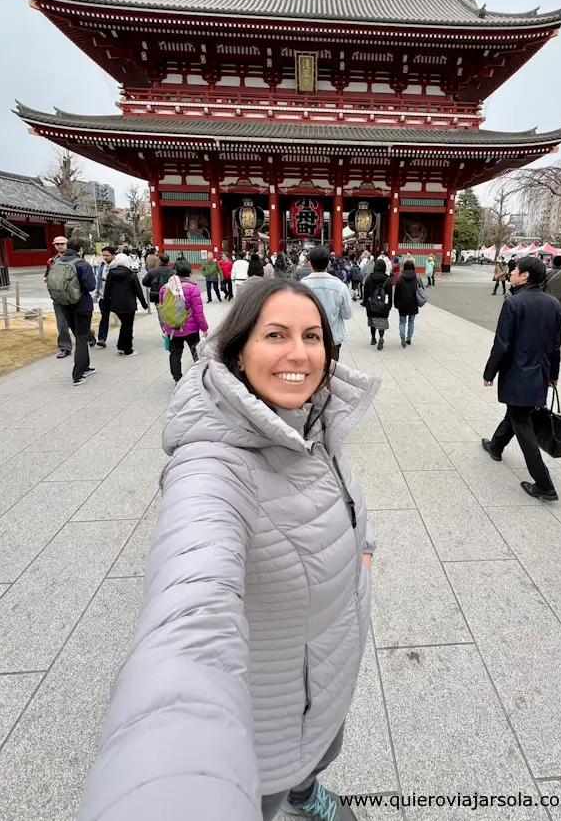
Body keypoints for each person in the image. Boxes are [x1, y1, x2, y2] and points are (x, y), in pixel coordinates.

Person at [76, 277, 376, 821]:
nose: (299, 353)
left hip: (318, 669)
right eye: (276, 335)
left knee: (318, 753)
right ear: (237, 352)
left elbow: (342, 501)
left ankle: (307, 795)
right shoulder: (211, 467)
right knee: (272, 783)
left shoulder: (312, 418)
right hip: (265, 710)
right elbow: (189, 614)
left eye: (313, 336)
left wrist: (364, 551)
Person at [482, 256, 561, 501]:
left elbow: (502, 344)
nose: (512, 273)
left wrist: (489, 372)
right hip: (539, 372)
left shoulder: (514, 303)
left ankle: (544, 483)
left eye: (515, 270)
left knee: (522, 423)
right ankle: (496, 446)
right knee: (517, 413)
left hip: (518, 372)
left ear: (525, 275)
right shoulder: (554, 305)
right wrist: (553, 375)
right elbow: (556, 346)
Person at [46, 238, 98, 385]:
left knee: (78, 334)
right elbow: (90, 286)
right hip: (82, 305)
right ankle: (78, 374)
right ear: (80, 250)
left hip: (64, 304)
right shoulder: (82, 264)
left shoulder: (55, 263)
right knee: (82, 337)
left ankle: (85, 366)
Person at [159, 259, 208, 382]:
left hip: (172, 329)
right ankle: (200, 376)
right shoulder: (192, 288)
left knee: (175, 354)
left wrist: (165, 327)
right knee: (196, 351)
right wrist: (204, 328)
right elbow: (198, 312)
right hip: (190, 329)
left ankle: (177, 379)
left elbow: (162, 309)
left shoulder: (165, 288)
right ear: (189, 273)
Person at [301, 246, 352, 362]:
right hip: (333, 337)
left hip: (308, 337)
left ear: (309, 264)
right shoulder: (340, 286)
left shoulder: (301, 286)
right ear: (329, 264)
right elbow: (347, 314)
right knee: (331, 370)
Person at [103, 253, 148, 357]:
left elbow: (107, 290)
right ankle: (128, 349)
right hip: (129, 303)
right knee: (128, 326)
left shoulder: (111, 274)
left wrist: (106, 303)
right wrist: (144, 303)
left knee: (124, 324)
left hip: (116, 304)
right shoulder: (131, 274)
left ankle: (121, 346)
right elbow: (138, 290)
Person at [45, 235, 73, 359]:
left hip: (73, 297)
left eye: (62, 244)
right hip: (58, 297)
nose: (60, 246)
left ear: (67, 244)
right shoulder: (51, 261)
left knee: (77, 323)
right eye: (57, 244)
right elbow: (47, 277)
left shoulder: (74, 259)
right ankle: (65, 347)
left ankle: (88, 335)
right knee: (61, 323)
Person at [362, 259, 392, 350]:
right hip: (383, 305)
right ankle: (381, 337)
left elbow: (365, 291)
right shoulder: (387, 279)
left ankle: (373, 338)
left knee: (372, 321)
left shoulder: (369, 278)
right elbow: (390, 294)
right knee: (381, 321)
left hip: (371, 304)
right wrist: (389, 305)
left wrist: (365, 303)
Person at [142, 253, 176, 326]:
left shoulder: (152, 271)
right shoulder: (173, 272)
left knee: (161, 315)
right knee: (170, 313)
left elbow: (144, 282)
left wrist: (152, 284)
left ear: (160, 261)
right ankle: (170, 329)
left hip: (156, 295)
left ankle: (164, 331)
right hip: (170, 296)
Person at [93, 245, 117, 347]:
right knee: (104, 316)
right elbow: (98, 280)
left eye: (107, 255)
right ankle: (102, 338)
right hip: (103, 295)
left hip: (116, 296)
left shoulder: (118, 265)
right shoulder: (102, 265)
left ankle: (128, 333)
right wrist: (97, 293)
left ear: (113, 255)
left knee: (123, 316)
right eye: (104, 255)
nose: (105, 257)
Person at [393, 259, 420, 347]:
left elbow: (396, 292)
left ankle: (402, 335)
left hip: (402, 303)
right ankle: (409, 339)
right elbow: (420, 289)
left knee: (402, 321)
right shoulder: (416, 277)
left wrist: (396, 303)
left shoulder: (400, 278)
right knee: (411, 322)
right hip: (413, 302)